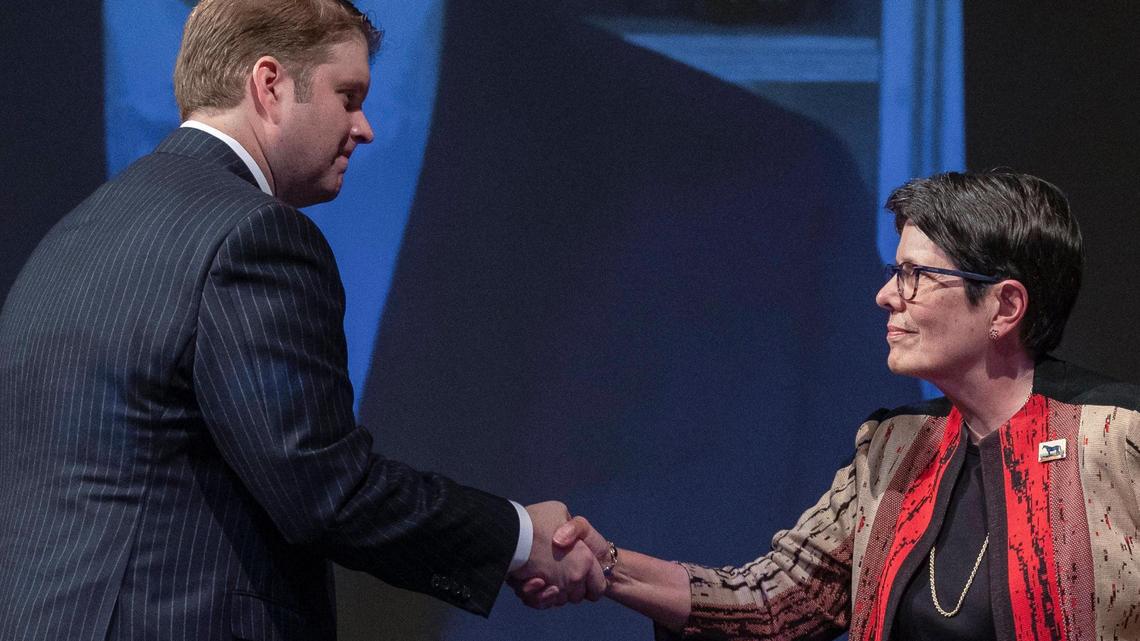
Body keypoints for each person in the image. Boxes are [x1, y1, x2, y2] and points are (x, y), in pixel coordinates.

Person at [0, 1, 603, 638]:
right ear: (270, 85)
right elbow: (325, 488)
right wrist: (518, 538)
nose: (364, 128)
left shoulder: (78, 230)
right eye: (348, 97)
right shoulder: (254, 235)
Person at [533, 171, 1140, 641]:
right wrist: (607, 566)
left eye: (915, 276)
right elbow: (775, 602)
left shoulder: (1117, 435)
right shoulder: (894, 447)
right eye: (894, 272)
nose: (886, 296)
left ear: (1005, 307)